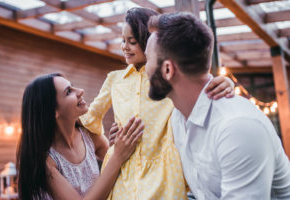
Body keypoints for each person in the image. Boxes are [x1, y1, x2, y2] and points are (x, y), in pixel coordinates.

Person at [80, 7, 235, 200]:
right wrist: (108, 145)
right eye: (123, 40)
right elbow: (89, 119)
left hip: (164, 172)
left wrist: (226, 82)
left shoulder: (163, 76)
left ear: (148, 42)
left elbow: (195, 86)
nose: (125, 47)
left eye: (132, 42)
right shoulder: (114, 80)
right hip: (125, 173)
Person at [145, 12, 290, 199]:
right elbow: (202, 194)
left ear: (167, 69)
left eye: (148, 59)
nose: (145, 69)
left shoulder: (237, 128)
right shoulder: (179, 118)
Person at [16, 73, 143, 200]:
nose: (81, 91)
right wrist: (117, 156)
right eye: (68, 92)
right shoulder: (46, 161)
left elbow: (120, 170)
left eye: (73, 86)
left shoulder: (89, 134)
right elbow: (115, 161)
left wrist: (114, 147)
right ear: (53, 111)